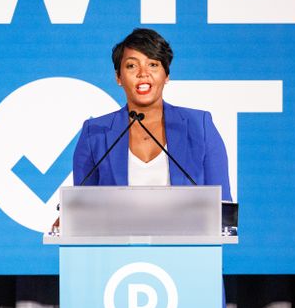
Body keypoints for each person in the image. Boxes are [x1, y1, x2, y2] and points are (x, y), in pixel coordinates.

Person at [72, 28, 231, 201]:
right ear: (118, 77)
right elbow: (82, 206)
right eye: (132, 66)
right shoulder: (94, 132)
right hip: (117, 229)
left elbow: (222, 206)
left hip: (184, 229)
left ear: (166, 75)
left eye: (153, 65)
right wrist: (68, 215)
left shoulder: (200, 125)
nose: (143, 73)